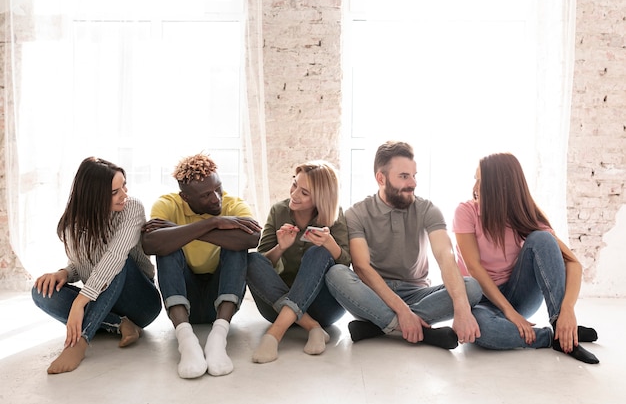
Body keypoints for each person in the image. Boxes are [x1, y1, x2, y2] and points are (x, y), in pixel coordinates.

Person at [326, 141, 482, 349]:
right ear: (381, 178)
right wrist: (402, 311)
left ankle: (380, 327)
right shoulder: (357, 213)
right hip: (374, 293)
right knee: (336, 273)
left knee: (471, 288)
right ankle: (420, 331)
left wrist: (462, 309)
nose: (413, 183)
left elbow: (446, 257)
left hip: (416, 291)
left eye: (414, 175)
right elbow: (362, 268)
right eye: (403, 176)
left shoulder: (428, 209)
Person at [452, 152, 599, 363]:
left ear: (500, 187)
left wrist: (567, 311)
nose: (475, 187)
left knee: (543, 239)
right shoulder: (466, 212)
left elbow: (573, 263)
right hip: (479, 299)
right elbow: (474, 268)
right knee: (482, 331)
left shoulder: (524, 216)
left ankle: (561, 325)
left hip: (517, 293)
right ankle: (553, 338)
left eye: (480, 181)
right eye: (475, 180)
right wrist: (508, 312)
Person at [32, 157, 162, 374]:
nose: (124, 195)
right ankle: (118, 324)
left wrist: (79, 302)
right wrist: (64, 273)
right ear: (93, 196)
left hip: (141, 302)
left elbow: (114, 258)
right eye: (115, 192)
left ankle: (80, 342)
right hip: (102, 300)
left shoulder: (132, 209)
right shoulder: (69, 227)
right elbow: (82, 264)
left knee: (119, 263)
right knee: (40, 291)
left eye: (124, 186)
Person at [141, 153, 262, 378]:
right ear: (185, 197)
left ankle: (218, 340)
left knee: (236, 249)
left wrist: (182, 231)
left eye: (218, 188)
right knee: (166, 248)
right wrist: (214, 223)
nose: (217, 199)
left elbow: (252, 239)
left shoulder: (234, 204)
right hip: (186, 303)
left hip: (221, 303)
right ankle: (186, 342)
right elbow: (150, 244)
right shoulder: (167, 204)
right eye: (206, 195)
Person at [246, 160, 351, 364]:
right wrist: (281, 247)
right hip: (275, 303)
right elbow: (261, 265)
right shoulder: (279, 211)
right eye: (295, 184)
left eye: (304, 193)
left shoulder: (334, 215)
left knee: (319, 253)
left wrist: (330, 243)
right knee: (250, 259)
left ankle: (275, 334)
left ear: (321, 198)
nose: (294, 194)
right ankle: (312, 327)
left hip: (323, 307)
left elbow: (345, 266)